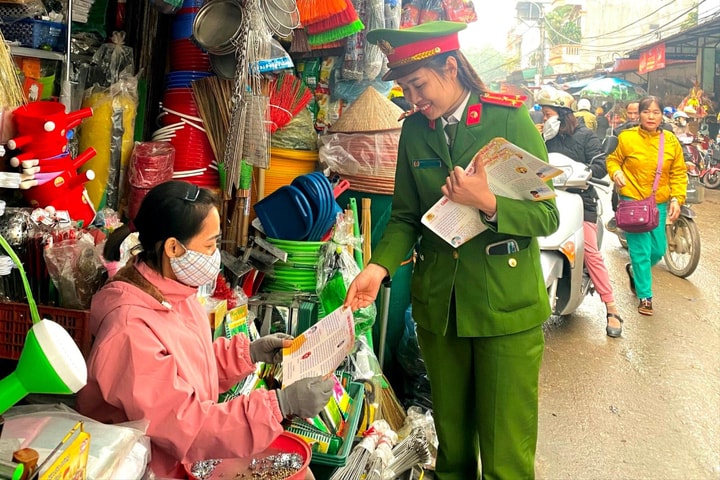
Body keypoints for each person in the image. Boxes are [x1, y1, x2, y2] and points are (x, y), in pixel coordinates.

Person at [344, 21, 560, 479]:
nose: (413, 99)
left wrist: (487, 201)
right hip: (441, 306)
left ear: (451, 66)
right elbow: (405, 215)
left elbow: (547, 217)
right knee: (454, 448)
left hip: (505, 306)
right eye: (404, 89)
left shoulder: (508, 118)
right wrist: (378, 267)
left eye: (418, 85)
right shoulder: (416, 132)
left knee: (506, 455)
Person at [76, 180, 333, 478]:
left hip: (179, 458)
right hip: (150, 468)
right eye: (209, 245)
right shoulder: (129, 329)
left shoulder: (173, 291)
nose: (214, 256)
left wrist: (248, 353)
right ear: (173, 247)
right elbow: (186, 426)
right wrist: (281, 404)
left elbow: (187, 365)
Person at [536, 86, 624, 337]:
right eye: (543, 115)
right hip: (548, 198)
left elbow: (600, 162)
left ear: (563, 114)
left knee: (591, 253)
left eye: (548, 114)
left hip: (581, 199)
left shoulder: (586, 135)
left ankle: (611, 307)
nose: (545, 119)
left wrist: (586, 173)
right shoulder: (543, 138)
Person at [606, 96, 687, 316]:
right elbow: (612, 159)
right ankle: (645, 296)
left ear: (662, 116)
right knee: (641, 251)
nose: (651, 116)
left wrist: (677, 198)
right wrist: (617, 172)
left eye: (656, 112)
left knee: (658, 250)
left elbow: (678, 172)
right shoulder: (626, 138)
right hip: (632, 200)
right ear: (639, 114)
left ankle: (634, 270)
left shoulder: (670, 140)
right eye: (646, 112)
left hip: (658, 202)